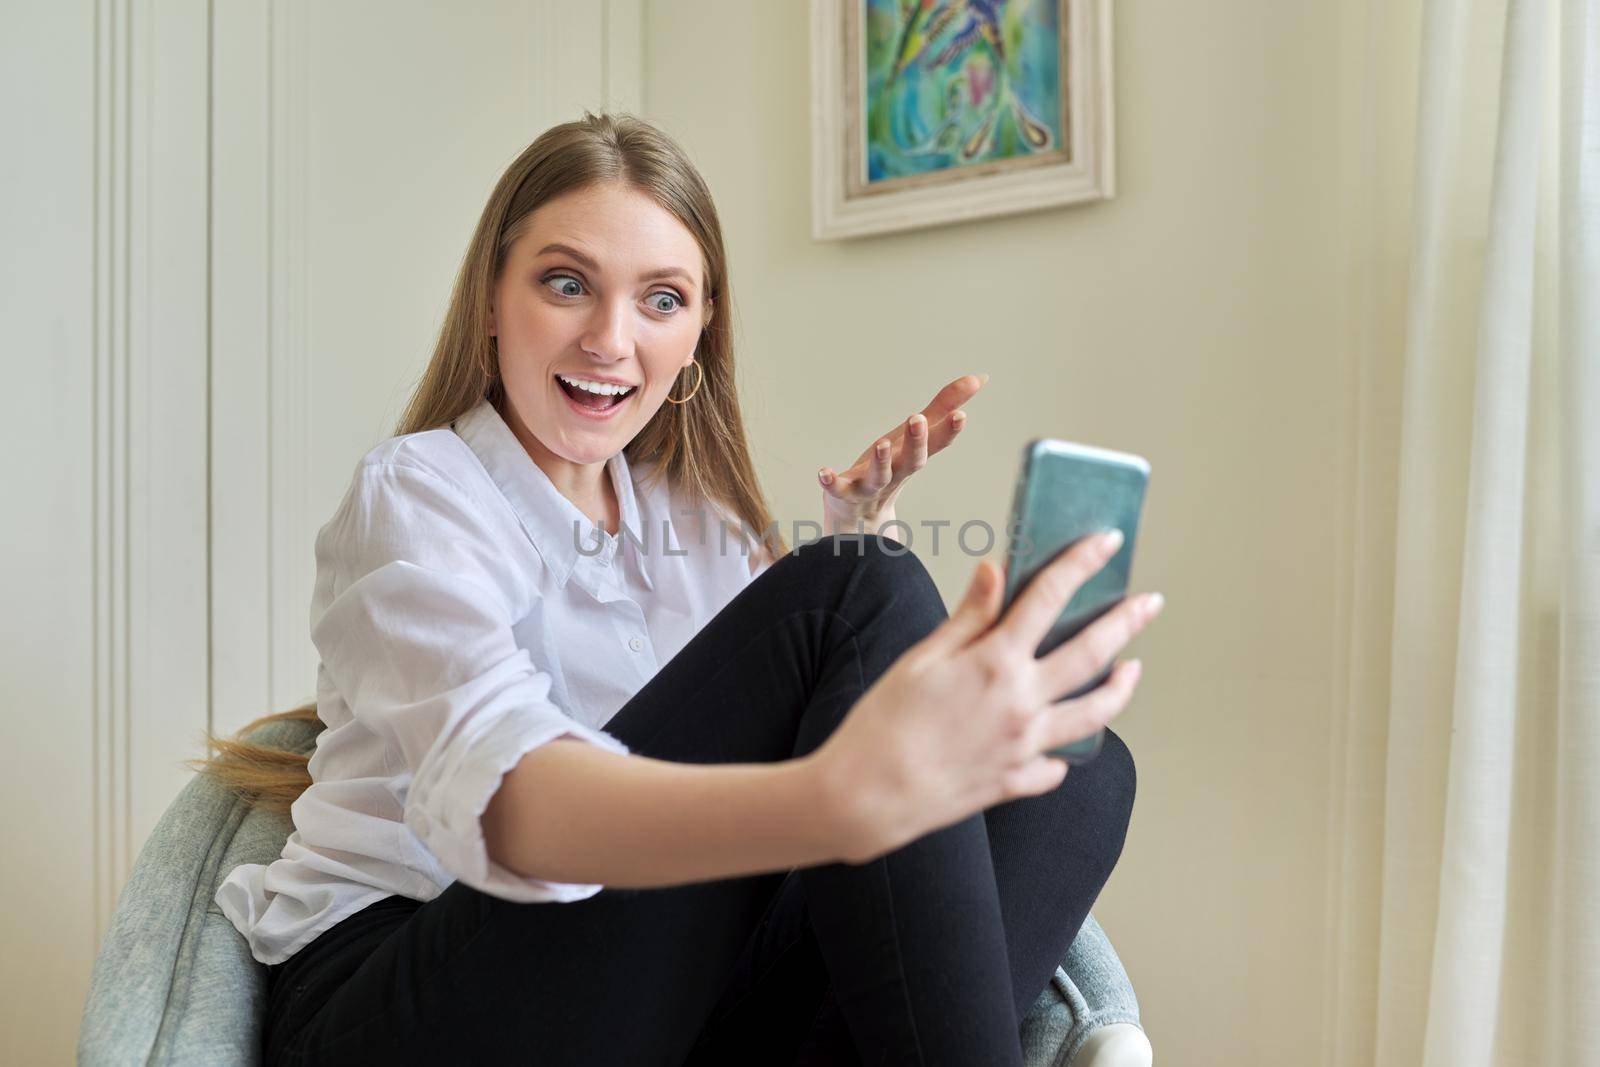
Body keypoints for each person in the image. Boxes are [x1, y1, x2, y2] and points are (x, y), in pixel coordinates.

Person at [202, 113, 1163, 1066]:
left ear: (701, 331)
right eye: (566, 284)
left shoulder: (696, 520)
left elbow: (835, 741)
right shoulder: (419, 492)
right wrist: (834, 796)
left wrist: (865, 534)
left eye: (662, 300)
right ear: (492, 300)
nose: (610, 340)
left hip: (648, 1006)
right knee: (850, 593)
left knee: (1079, 763)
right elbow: (520, 810)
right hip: (410, 996)